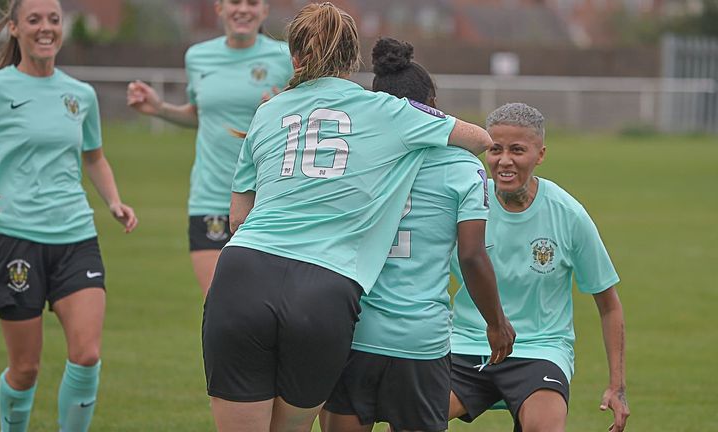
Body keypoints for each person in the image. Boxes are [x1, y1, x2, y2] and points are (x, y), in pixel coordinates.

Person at [201, 3, 512, 431]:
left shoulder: (268, 111)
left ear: (294, 58)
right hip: (323, 287)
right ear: (352, 60)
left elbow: (239, 217)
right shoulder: (386, 110)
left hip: (242, 276)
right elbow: (479, 139)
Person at [0, 1, 137, 431]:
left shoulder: (81, 94)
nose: (46, 27)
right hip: (15, 239)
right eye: (34, 19)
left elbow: (95, 158)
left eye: (53, 19)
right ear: (14, 29)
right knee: (25, 369)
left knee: (87, 355)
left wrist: (113, 201)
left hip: (76, 237)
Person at [319, 37, 514, 432]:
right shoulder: (463, 165)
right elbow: (472, 255)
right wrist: (496, 322)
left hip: (354, 330)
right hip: (420, 340)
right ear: (432, 103)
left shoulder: (353, 160)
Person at [448, 103, 630, 432]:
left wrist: (617, 388)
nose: (504, 161)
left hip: (540, 349)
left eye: (517, 150)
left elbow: (609, 304)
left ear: (540, 154)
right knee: (410, 419)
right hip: (467, 343)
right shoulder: (467, 202)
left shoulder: (568, 213)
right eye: (495, 149)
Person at [127, 0, 293, 297]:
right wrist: (160, 108)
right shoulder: (198, 57)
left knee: (264, 308)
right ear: (219, 8)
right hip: (210, 197)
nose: (243, 9)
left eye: (252, 3)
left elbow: (300, 120)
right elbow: (201, 114)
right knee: (220, 308)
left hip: (267, 200)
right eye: (234, 2)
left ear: (264, 10)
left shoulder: (284, 58)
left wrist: (281, 111)